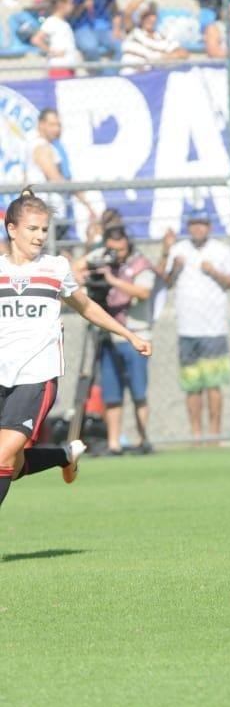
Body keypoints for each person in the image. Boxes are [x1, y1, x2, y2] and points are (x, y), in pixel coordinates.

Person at [0, 189, 151, 513]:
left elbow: (85, 306)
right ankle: (65, 455)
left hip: (36, 375)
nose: (40, 236)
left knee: (1, 456)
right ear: (12, 229)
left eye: (44, 229)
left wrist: (128, 334)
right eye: (32, 228)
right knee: (13, 462)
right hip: (2, 373)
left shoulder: (55, 267)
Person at [73, 224, 156, 455]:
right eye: (111, 249)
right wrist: (92, 263)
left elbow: (144, 292)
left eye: (119, 250)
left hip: (136, 334)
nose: (115, 254)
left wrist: (112, 281)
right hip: (109, 337)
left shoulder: (140, 264)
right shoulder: (104, 259)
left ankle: (143, 439)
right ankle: (114, 443)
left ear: (127, 245)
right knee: (112, 393)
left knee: (138, 392)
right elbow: (75, 268)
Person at [161, 211, 230, 443]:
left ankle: (214, 434)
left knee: (213, 384)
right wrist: (172, 262)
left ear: (209, 226)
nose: (198, 229)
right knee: (192, 385)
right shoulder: (179, 249)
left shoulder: (222, 250)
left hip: (214, 327)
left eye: (202, 224)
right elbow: (166, 282)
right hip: (187, 328)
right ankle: (196, 434)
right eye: (194, 224)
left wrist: (213, 271)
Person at [24, 109, 95, 243]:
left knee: (60, 256)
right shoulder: (41, 147)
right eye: (52, 125)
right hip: (46, 212)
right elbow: (56, 179)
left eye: (58, 125)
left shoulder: (47, 146)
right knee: (56, 255)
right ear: (41, 124)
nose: (57, 129)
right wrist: (86, 203)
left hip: (50, 213)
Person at [119, 2, 189, 74]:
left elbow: (183, 53)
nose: (150, 19)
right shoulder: (133, 32)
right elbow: (128, 12)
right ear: (141, 18)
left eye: (152, 15)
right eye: (146, 16)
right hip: (129, 77)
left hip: (150, 77)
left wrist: (160, 58)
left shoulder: (161, 38)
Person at [30, 0, 82, 79]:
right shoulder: (52, 21)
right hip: (59, 67)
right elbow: (36, 39)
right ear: (61, 4)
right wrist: (52, 51)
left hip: (69, 66)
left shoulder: (64, 22)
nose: (72, 6)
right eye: (70, 3)